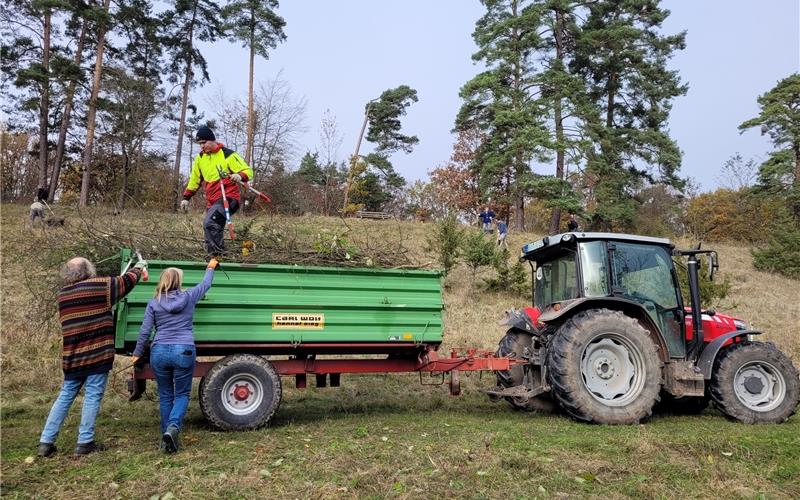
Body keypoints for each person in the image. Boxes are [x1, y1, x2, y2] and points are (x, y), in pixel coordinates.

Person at [37, 257, 146, 458]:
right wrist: (139, 268)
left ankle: (46, 441)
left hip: (72, 357)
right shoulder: (100, 286)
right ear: (88, 270)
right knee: (93, 396)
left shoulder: (63, 294)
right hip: (96, 354)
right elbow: (127, 281)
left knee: (65, 397)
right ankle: (85, 442)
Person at [131, 258, 219, 453]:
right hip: (183, 349)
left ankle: (166, 438)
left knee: (165, 395)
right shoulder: (189, 296)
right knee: (181, 394)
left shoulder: (154, 303)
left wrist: (137, 354)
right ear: (178, 282)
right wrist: (211, 267)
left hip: (159, 351)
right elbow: (206, 284)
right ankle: (172, 429)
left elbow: (145, 332)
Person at [181, 126, 254, 256]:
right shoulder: (200, 158)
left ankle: (216, 257)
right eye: (200, 144)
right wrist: (186, 197)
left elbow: (248, 171)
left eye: (204, 143)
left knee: (210, 222)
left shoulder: (228, 154)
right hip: (213, 201)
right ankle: (219, 256)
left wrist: (239, 175)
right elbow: (195, 180)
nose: (202, 146)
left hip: (229, 198)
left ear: (212, 140)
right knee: (213, 228)